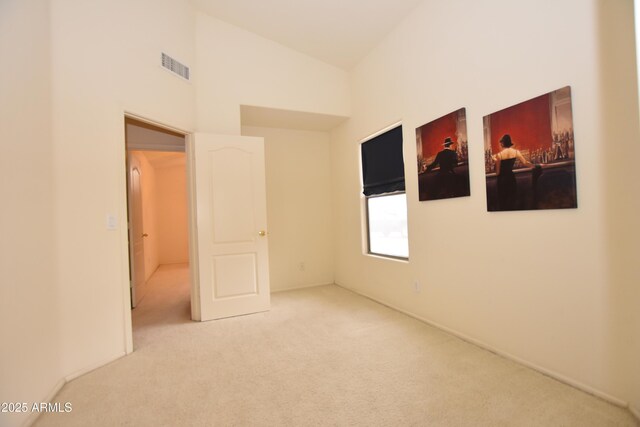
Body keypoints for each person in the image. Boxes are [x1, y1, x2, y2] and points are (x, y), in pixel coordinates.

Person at [492, 134, 535, 210]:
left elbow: (497, 172)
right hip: (511, 179)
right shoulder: (516, 152)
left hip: (502, 181)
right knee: (512, 202)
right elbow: (525, 163)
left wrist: (495, 160)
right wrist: (535, 166)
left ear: (503, 143)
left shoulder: (499, 155)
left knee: (503, 204)